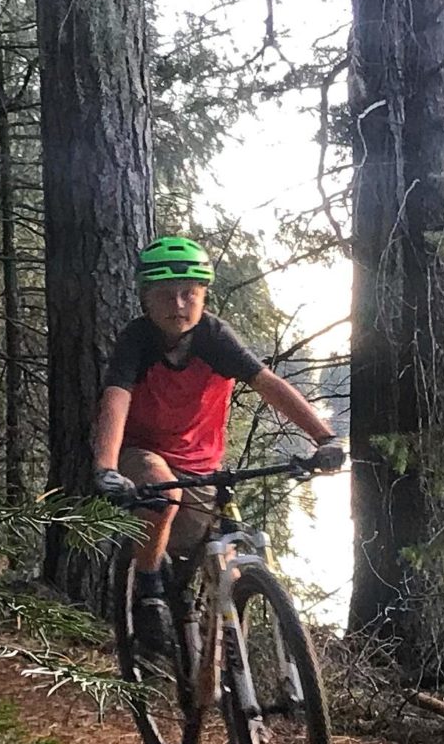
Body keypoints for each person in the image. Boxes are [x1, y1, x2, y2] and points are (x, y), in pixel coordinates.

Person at [93, 235, 342, 648]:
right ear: (146, 298)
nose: (178, 305)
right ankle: (149, 589)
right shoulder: (137, 340)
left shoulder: (214, 337)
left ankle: (220, 665)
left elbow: (268, 384)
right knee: (160, 495)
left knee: (217, 556)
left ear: (203, 294)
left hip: (200, 461)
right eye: (166, 295)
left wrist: (324, 438)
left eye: (188, 294)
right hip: (141, 450)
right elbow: (115, 400)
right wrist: (105, 467)